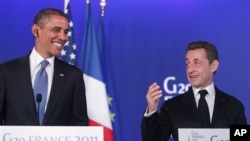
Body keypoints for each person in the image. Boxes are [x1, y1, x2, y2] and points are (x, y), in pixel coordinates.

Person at [141, 41, 247, 141]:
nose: (190, 69)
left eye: (197, 63)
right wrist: (152, 110)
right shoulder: (172, 107)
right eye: (188, 64)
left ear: (213, 65)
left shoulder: (233, 106)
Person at [0, 8, 88, 125]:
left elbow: (79, 124)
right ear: (36, 31)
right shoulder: (7, 72)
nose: (63, 37)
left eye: (65, 32)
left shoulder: (73, 75)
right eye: (56, 30)